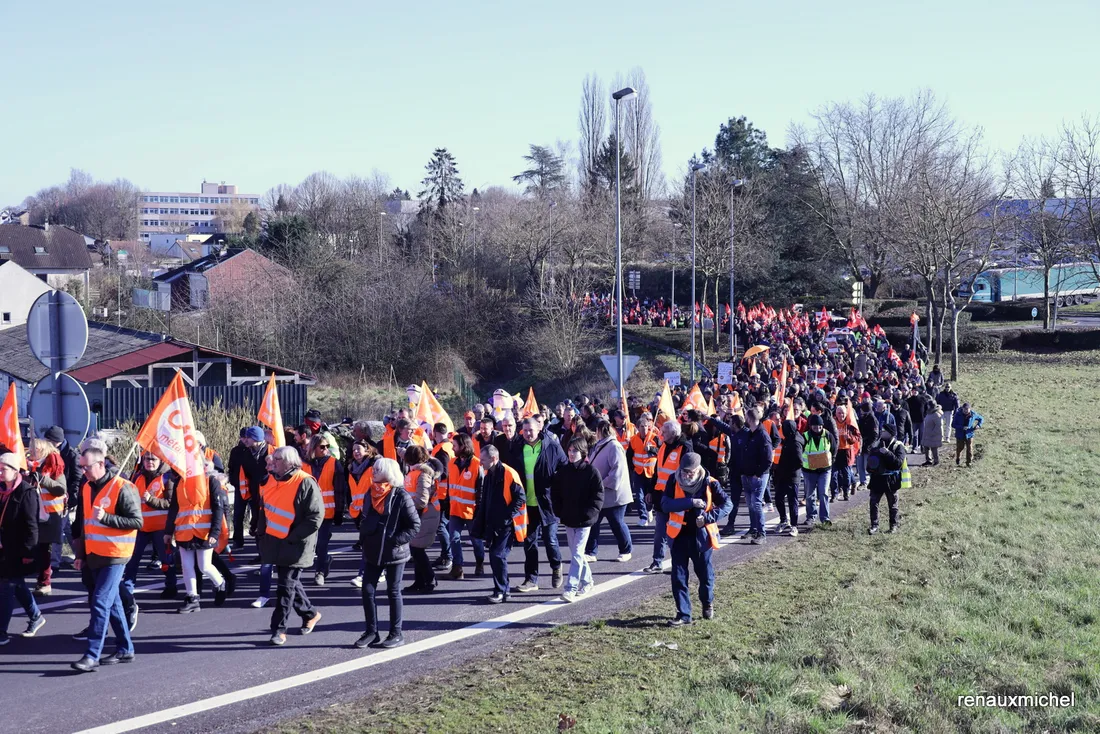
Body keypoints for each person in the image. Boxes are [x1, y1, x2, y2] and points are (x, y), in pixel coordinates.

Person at [71, 442, 142, 672]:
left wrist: (108, 518)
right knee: (112, 604)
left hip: (116, 555)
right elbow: (84, 523)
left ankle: (92, 655)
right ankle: (126, 648)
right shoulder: (86, 487)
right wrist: (80, 554)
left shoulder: (124, 487)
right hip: (94, 554)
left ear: (101, 464)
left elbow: (136, 522)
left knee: (100, 601)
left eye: (86, 467)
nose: (83, 471)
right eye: (81, 467)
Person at [257, 446, 324, 646]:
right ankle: (310, 613)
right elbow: (264, 509)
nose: (272, 462)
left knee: (285, 587)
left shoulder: (305, 482)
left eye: (277, 459)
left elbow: (315, 517)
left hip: (295, 544)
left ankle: (278, 630)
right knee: (290, 583)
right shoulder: (270, 480)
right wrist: (261, 533)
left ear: (289, 462)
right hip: (274, 542)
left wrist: (293, 537)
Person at [354, 457, 419, 650]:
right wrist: (363, 537)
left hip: (395, 553)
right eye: (374, 469)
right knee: (367, 590)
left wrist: (394, 540)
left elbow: (414, 525)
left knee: (393, 592)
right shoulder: (370, 493)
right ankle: (371, 632)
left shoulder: (401, 496)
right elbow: (364, 518)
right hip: (372, 552)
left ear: (389, 473)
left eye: (378, 469)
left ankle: (396, 633)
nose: (373, 472)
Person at [661, 453, 731, 625]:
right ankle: (683, 614)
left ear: (698, 469)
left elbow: (727, 504)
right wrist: (690, 502)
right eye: (684, 471)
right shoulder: (673, 479)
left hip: (702, 538)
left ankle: (707, 602)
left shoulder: (710, 482)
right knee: (678, 577)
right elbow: (665, 504)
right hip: (678, 536)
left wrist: (708, 518)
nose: (686, 475)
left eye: (690, 472)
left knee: (705, 576)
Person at [121, 451, 177, 632]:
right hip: (140, 527)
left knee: (165, 559)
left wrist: (150, 500)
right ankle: (127, 591)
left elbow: (171, 503)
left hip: (160, 527)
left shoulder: (167, 477)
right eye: (147, 459)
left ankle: (171, 585)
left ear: (160, 461)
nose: (150, 462)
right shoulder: (137, 476)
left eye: (153, 459)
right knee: (132, 560)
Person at [166, 458, 229, 613]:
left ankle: (220, 583)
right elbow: (174, 508)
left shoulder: (211, 481)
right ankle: (192, 598)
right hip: (184, 531)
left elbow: (218, 509)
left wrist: (215, 532)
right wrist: (168, 531)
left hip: (204, 532)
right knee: (187, 567)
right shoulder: (180, 483)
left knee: (204, 566)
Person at [513, 417, 565, 593]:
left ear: (539, 429)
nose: (527, 433)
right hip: (527, 504)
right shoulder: (517, 447)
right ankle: (531, 579)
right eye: (525, 430)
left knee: (550, 539)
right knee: (529, 542)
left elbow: (564, 466)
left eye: (531, 430)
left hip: (547, 502)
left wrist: (557, 486)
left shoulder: (551, 445)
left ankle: (557, 567)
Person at [550, 436, 604, 603]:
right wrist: (559, 512)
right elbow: (555, 493)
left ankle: (570, 589)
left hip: (584, 521)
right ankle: (587, 582)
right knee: (576, 554)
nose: (571, 453)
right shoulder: (564, 472)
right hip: (568, 519)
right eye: (570, 450)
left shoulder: (591, 472)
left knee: (577, 554)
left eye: (575, 450)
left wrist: (589, 514)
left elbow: (598, 496)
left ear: (582, 452)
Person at [0, 453, 46, 645]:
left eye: (4, 469)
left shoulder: (26, 492)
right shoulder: (1, 490)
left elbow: (31, 525)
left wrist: (28, 552)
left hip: (17, 548)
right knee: (16, 583)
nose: (0, 472)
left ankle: (1, 631)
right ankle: (36, 616)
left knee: (6, 587)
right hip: (2, 547)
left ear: (15, 470)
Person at [471, 445, 526, 604]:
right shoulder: (489, 474)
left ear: (493, 459)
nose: (480, 463)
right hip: (494, 523)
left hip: (507, 524)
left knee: (497, 555)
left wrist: (506, 517)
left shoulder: (508, 473)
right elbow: (486, 500)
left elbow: (520, 498)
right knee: (496, 556)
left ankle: (502, 590)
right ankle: (503, 590)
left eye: (483, 460)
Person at [583, 418, 633, 564]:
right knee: (594, 523)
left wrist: (600, 484)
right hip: (600, 495)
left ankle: (626, 550)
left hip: (614, 495)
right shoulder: (600, 445)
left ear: (600, 431)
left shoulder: (614, 446)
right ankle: (591, 552)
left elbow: (617, 471)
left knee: (617, 523)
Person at [642, 420, 689, 574]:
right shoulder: (662, 447)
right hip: (660, 496)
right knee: (660, 532)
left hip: (676, 498)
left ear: (674, 433)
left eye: (665, 432)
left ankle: (679, 563)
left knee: (675, 533)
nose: (661, 434)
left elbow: (687, 474)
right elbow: (658, 472)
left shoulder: (685, 448)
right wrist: (650, 491)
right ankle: (657, 562)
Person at [304, 435, 346, 586]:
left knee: (322, 543)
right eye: (322, 447)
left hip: (327, 512)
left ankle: (320, 572)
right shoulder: (303, 464)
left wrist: (339, 512)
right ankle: (325, 561)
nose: (326, 449)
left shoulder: (334, 464)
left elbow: (340, 489)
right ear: (313, 448)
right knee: (309, 543)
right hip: (308, 512)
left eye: (327, 446)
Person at [27, 439, 66, 597]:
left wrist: (41, 478)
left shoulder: (54, 464)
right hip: (35, 513)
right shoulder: (34, 465)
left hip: (49, 515)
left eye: (34, 449)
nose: (31, 451)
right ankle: (39, 580)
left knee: (44, 550)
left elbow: (60, 488)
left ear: (42, 449)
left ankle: (44, 582)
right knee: (35, 549)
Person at [445, 433, 485, 580]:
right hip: (455, 508)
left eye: (455, 445)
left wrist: (480, 509)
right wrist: (446, 502)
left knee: (476, 539)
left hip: (471, 510)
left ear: (463, 446)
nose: (452, 448)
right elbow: (451, 485)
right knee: (454, 538)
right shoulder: (451, 463)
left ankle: (479, 562)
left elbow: (481, 488)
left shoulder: (477, 464)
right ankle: (457, 567)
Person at [43, 425, 82, 572]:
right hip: (54, 500)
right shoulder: (51, 454)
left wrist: (72, 499)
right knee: (67, 529)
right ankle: (80, 556)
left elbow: (77, 479)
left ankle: (55, 562)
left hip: (64, 500)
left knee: (59, 530)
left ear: (55, 441)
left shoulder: (72, 455)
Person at [227, 426, 271, 551]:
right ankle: (238, 541)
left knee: (258, 518)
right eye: (244, 437)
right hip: (243, 489)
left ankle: (261, 551)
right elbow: (234, 469)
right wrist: (236, 482)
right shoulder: (241, 452)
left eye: (248, 437)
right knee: (238, 515)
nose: (245, 440)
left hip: (261, 491)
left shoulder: (269, 451)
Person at [406, 457, 444, 594]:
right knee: (416, 549)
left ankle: (430, 579)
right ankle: (420, 581)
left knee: (417, 549)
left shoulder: (423, 475)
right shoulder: (422, 473)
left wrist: (408, 508)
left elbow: (422, 501)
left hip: (425, 515)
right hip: (424, 514)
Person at [866, 424, 907, 534]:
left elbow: (898, 463)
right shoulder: (876, 444)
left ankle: (893, 525)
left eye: (884, 431)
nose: (882, 432)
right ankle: (874, 525)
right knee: (873, 503)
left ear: (891, 433)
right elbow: (869, 462)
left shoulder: (898, 446)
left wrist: (887, 453)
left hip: (891, 480)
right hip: (876, 479)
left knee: (893, 505)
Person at [802, 414, 834, 529]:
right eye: (815, 427)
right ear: (810, 426)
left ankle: (825, 518)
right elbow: (800, 451)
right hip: (809, 471)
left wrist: (829, 462)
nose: (817, 429)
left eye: (820, 427)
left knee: (823, 493)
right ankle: (811, 516)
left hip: (825, 471)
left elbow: (833, 450)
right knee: (810, 495)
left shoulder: (828, 435)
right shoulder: (805, 437)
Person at [627, 412, 659, 526]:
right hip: (638, 472)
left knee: (648, 496)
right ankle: (643, 517)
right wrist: (632, 468)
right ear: (638, 427)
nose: (644, 429)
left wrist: (651, 449)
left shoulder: (654, 438)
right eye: (642, 426)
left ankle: (649, 509)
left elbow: (661, 451)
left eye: (646, 426)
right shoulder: (633, 440)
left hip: (651, 473)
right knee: (639, 495)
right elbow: (629, 455)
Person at [772, 420, 803, 536]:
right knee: (778, 498)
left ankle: (794, 526)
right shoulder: (789, 439)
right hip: (782, 474)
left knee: (792, 501)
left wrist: (787, 468)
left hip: (792, 476)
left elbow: (799, 461)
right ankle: (784, 520)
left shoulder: (795, 442)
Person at [952, 403, 984, 467]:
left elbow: (981, 418)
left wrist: (978, 425)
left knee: (969, 449)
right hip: (960, 434)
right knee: (960, 448)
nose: (966, 411)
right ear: (962, 408)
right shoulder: (958, 414)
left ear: (970, 409)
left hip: (969, 434)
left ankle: (969, 462)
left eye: (967, 409)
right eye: (964, 409)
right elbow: (953, 425)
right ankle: (958, 458)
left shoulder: (973, 414)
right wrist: (962, 427)